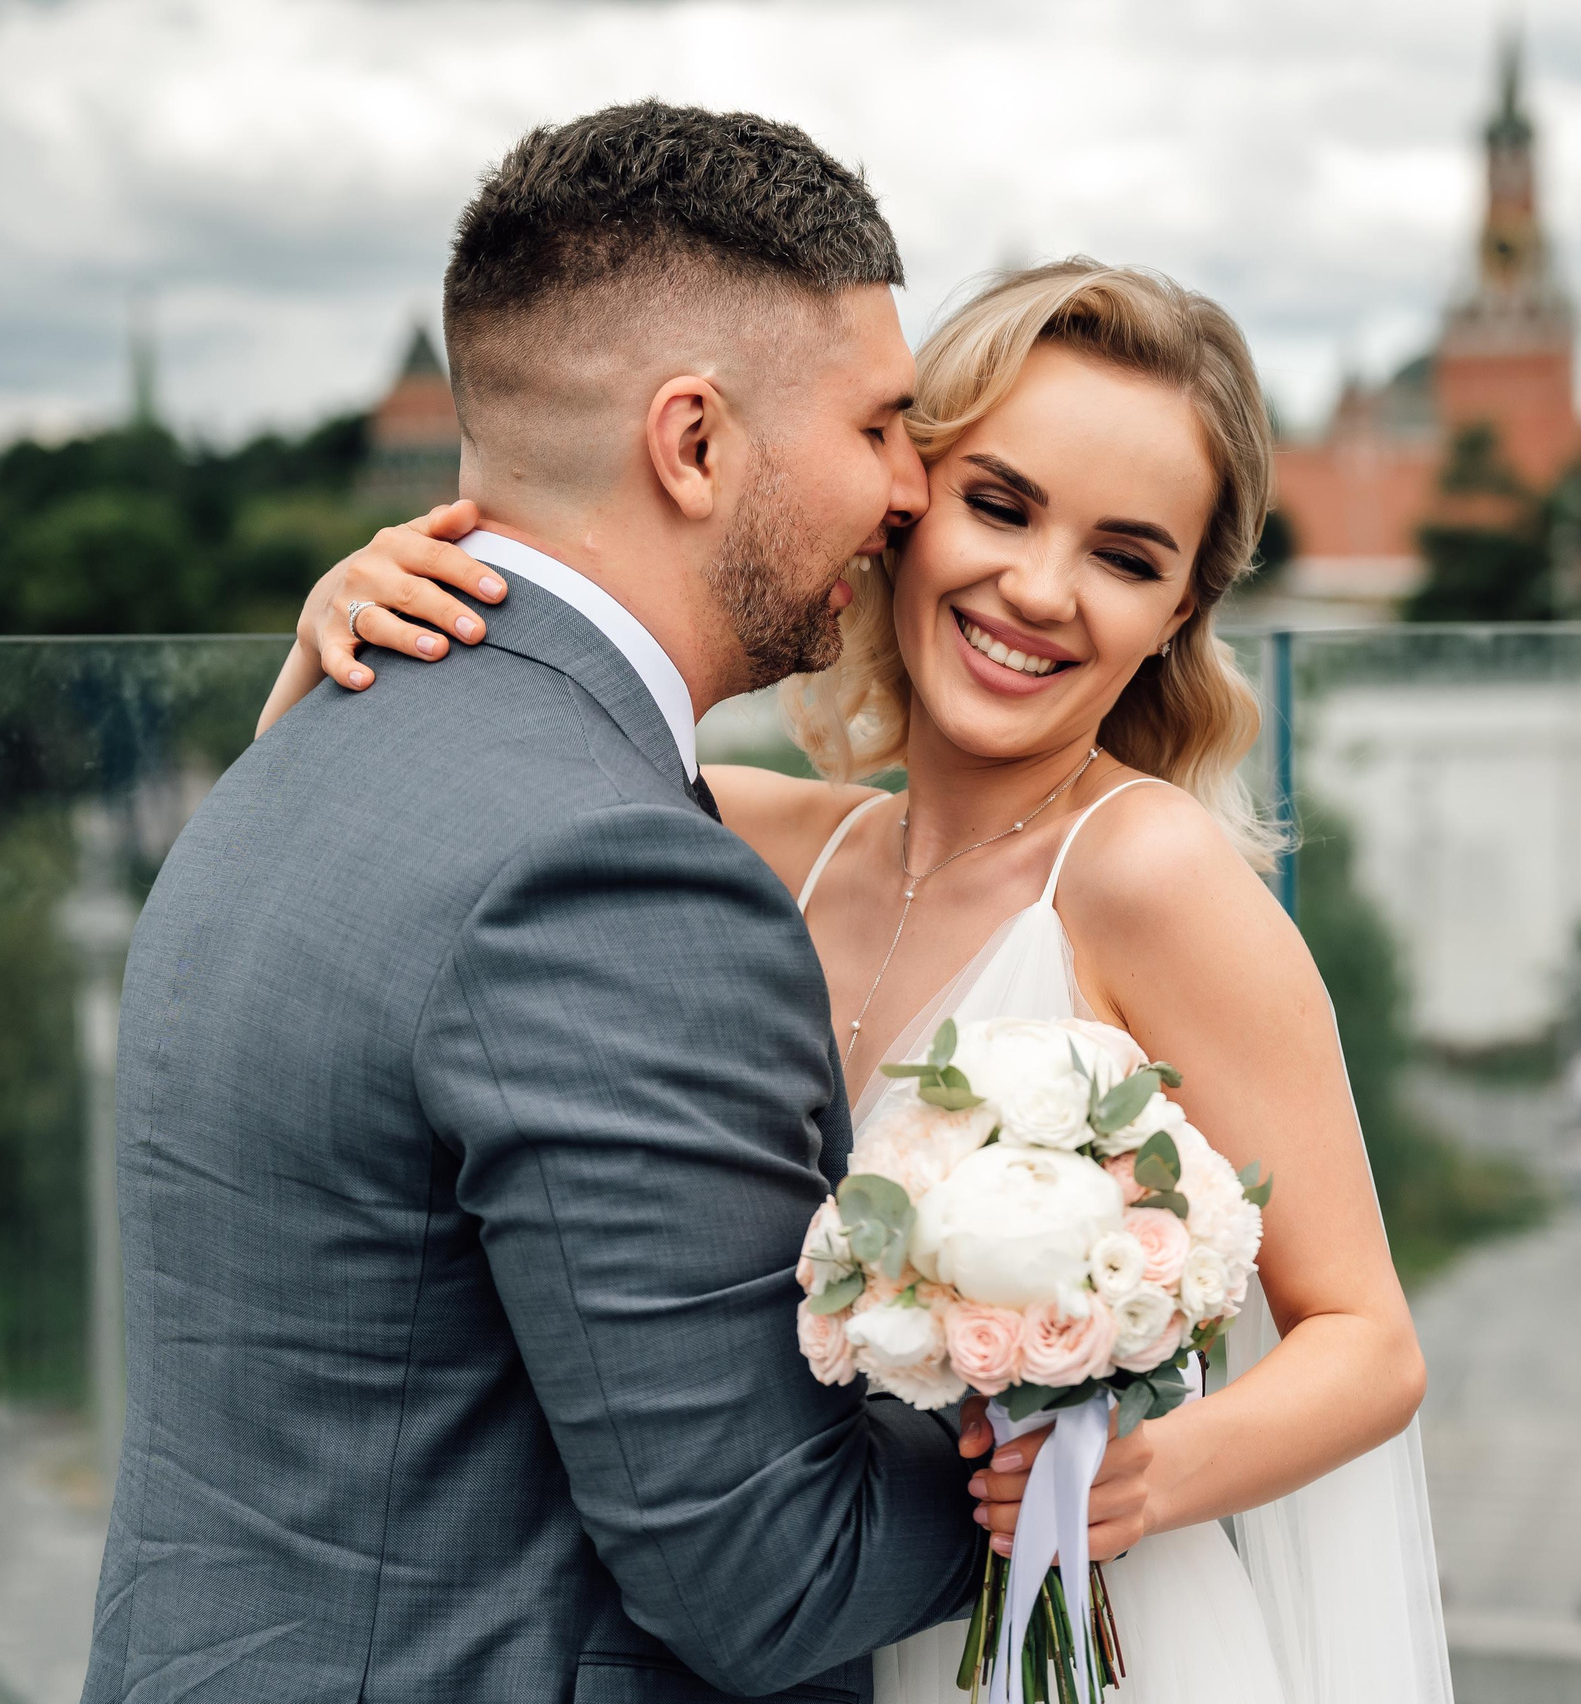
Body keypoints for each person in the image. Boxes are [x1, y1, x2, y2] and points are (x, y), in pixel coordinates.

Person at [269, 258, 1448, 1696]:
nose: (1038, 588)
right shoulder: (765, 841)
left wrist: (1142, 1472)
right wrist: (348, 622)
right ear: (905, 504)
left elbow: (1370, 1342)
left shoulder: (1152, 876)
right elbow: (450, 812)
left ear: (1176, 615)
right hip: (816, 1622)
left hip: (1074, 1636)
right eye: (1000, 505)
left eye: (1126, 558)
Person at [88, 106, 1075, 1704]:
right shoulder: (604, 873)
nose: (911, 489)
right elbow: (769, 1575)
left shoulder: (300, 750)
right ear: (693, 444)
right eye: (882, 426)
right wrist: (1075, 1412)